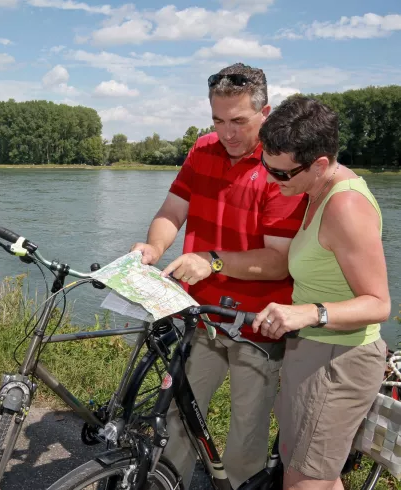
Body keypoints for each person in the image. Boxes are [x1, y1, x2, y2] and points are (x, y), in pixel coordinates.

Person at [131, 63, 307, 488]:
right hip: (200, 313)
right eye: (218, 120)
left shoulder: (280, 165)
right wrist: (154, 247)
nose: (226, 133)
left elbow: (279, 261)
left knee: (246, 435)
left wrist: (210, 260)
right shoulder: (203, 149)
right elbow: (173, 210)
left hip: (257, 323)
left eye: (239, 122)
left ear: (264, 114)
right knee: (177, 418)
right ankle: (166, 482)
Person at [252, 95, 390, 490]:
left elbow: (379, 304)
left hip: (339, 360)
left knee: (301, 481)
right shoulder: (313, 190)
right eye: (266, 165)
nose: (270, 180)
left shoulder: (345, 206)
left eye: (281, 174)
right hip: (313, 351)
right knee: (319, 477)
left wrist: (309, 313)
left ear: (320, 164)